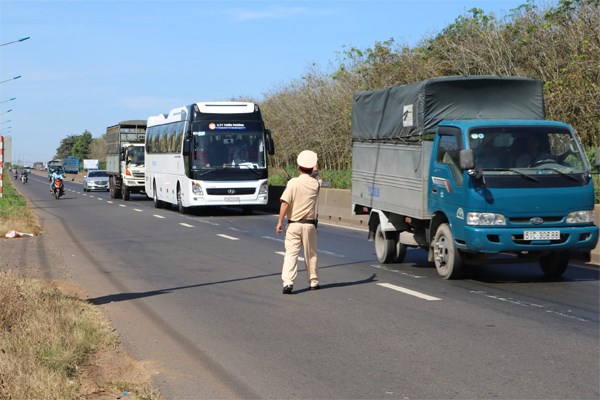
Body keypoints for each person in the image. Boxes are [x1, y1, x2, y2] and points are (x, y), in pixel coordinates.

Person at [276, 150, 321, 294]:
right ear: (312, 167)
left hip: (294, 224)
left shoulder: (293, 183)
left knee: (291, 254)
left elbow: (284, 203)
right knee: (311, 254)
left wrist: (279, 222)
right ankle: (313, 281)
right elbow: (317, 176)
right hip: (309, 225)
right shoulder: (315, 184)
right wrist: (316, 167)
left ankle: (288, 282)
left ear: (298, 166)